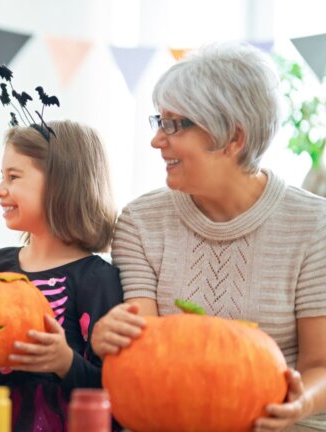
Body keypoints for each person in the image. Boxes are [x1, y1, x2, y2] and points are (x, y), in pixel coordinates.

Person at [90, 42, 326, 431]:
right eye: (159, 121)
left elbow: (320, 365)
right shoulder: (140, 222)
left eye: (174, 124)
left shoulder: (315, 225)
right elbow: (145, 351)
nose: (157, 140)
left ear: (233, 138)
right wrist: (109, 336)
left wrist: (299, 403)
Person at [0, 119, 123, 431]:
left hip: (57, 420)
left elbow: (113, 391)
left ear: (60, 183)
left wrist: (65, 362)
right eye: (1, 176)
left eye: (13, 177)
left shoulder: (97, 279)